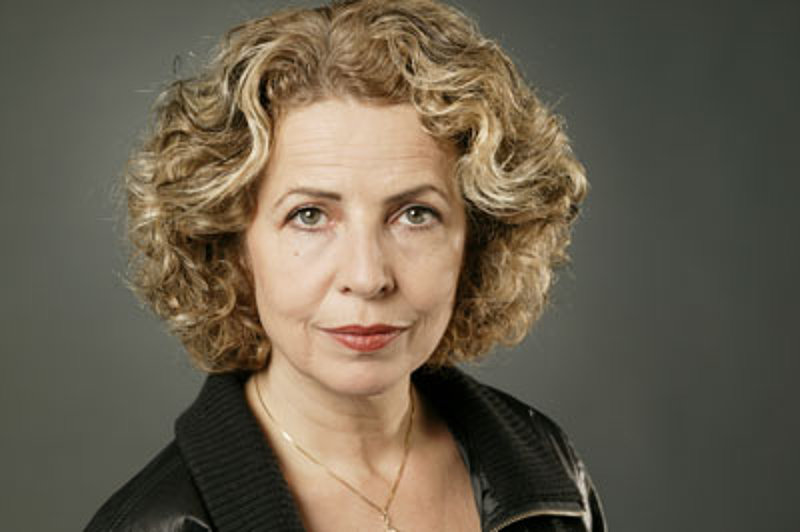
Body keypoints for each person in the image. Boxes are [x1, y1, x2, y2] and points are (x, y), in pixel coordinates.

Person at [86, 0, 605, 530]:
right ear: (232, 244)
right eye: (309, 215)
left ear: (478, 238)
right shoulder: (159, 524)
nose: (367, 276)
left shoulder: (549, 469)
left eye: (415, 214)